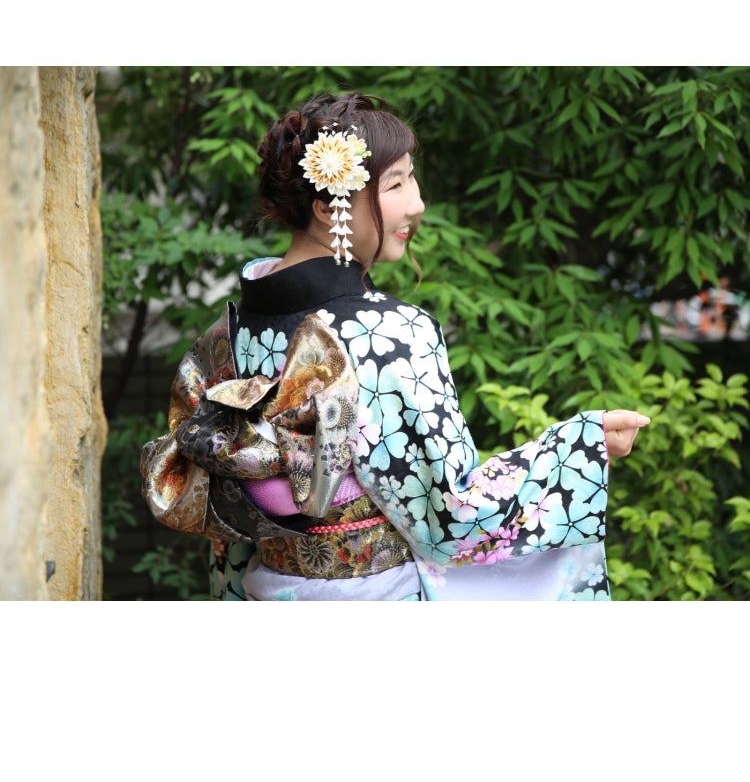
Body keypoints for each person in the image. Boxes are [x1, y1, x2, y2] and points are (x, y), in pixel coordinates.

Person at [141, 91, 649, 601]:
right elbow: (452, 516)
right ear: (328, 208)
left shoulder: (227, 333)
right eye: (395, 184)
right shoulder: (390, 333)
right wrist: (578, 450)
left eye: (412, 178)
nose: (417, 204)